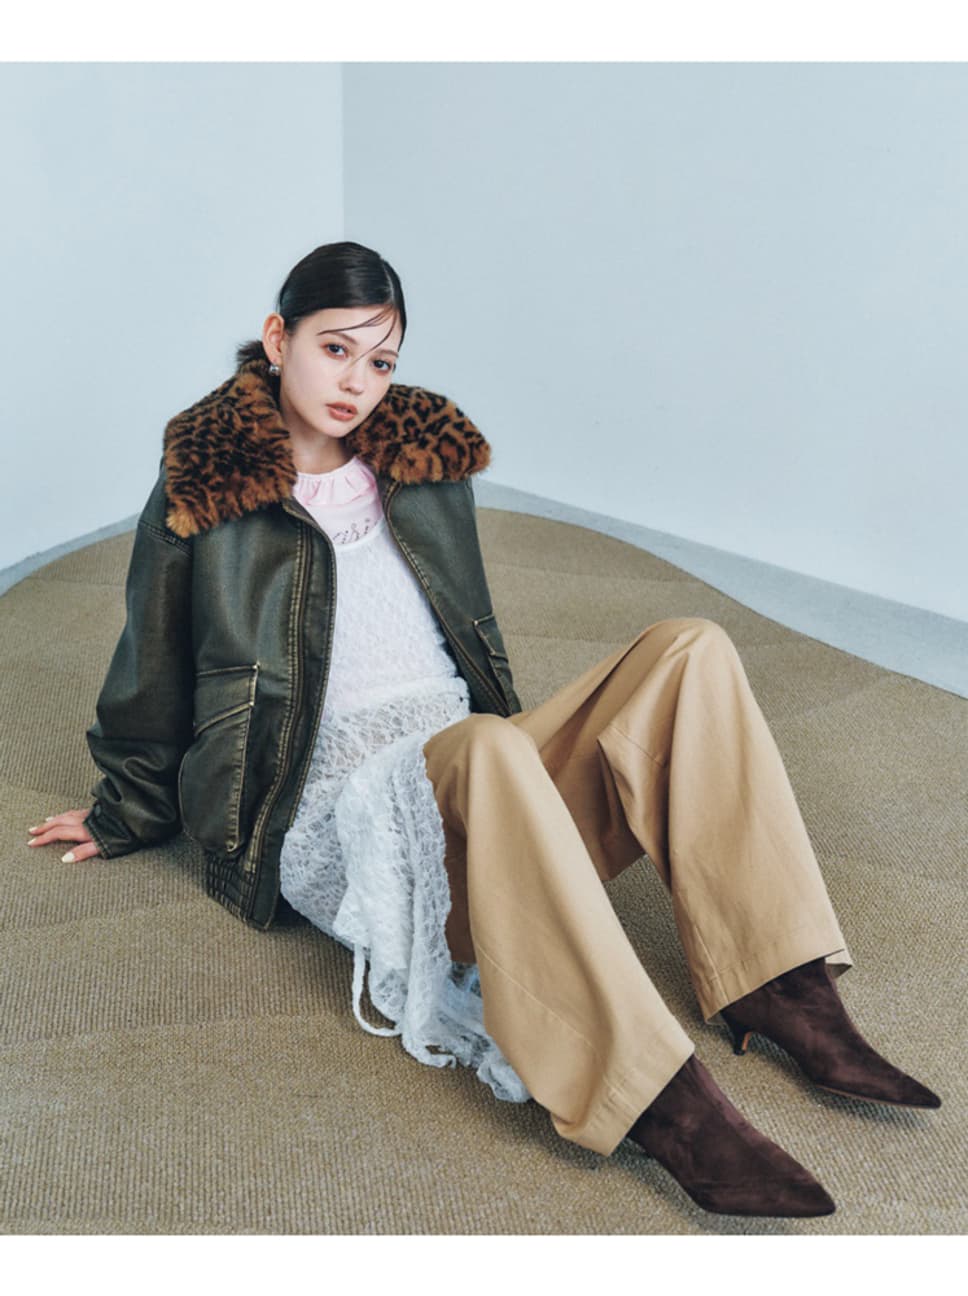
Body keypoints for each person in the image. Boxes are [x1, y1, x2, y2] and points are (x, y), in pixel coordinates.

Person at [26, 240, 941, 1220]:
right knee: (487, 747)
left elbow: (462, 641)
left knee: (690, 648)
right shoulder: (208, 484)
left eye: (380, 360)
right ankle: (659, 1102)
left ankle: (780, 985)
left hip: (478, 779)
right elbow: (152, 665)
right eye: (334, 349)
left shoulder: (419, 459)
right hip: (338, 818)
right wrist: (124, 810)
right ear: (277, 338)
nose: (357, 383)